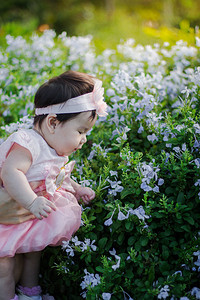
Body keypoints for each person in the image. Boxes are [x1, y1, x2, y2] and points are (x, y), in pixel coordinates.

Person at [0, 70, 108, 300]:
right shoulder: (28, 143)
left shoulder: (53, 149)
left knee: (33, 253)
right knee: (4, 267)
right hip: (7, 218)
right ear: (52, 123)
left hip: (28, 215)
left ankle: (30, 292)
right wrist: (31, 201)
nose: (84, 139)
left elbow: (57, 176)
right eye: (81, 131)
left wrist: (77, 189)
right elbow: (11, 173)